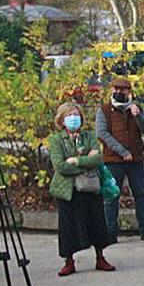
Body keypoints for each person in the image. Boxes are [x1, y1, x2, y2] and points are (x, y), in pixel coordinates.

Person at [49, 103, 116, 276]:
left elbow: (98, 159)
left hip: (90, 187)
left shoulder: (88, 136)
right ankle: (69, 261)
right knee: (68, 226)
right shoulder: (57, 140)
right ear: (62, 120)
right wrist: (86, 162)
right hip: (68, 190)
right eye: (69, 115)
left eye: (76, 115)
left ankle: (100, 257)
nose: (73, 118)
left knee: (97, 223)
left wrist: (77, 161)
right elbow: (61, 166)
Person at [96, 77, 144, 242]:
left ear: (128, 92)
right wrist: (122, 151)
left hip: (135, 160)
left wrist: (137, 115)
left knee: (140, 195)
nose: (119, 92)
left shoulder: (136, 108)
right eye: (116, 89)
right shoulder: (104, 110)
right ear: (111, 90)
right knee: (111, 197)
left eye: (122, 90)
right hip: (113, 160)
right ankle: (110, 233)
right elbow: (102, 134)